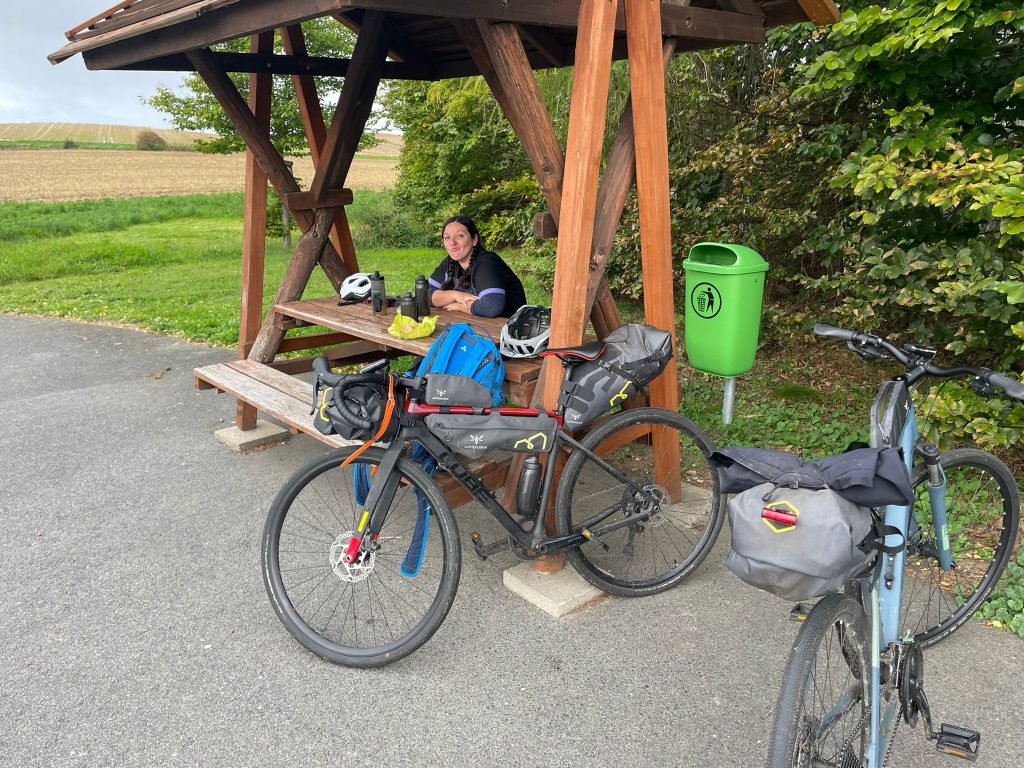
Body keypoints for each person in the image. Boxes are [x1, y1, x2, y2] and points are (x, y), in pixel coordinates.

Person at [428, 215, 527, 318]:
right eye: (447, 237)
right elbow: (424, 295)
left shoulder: (486, 263)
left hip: (511, 328)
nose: (452, 242)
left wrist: (456, 305)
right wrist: (456, 295)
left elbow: (491, 307)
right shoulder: (449, 262)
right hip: (479, 324)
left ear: (474, 239)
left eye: (460, 236)